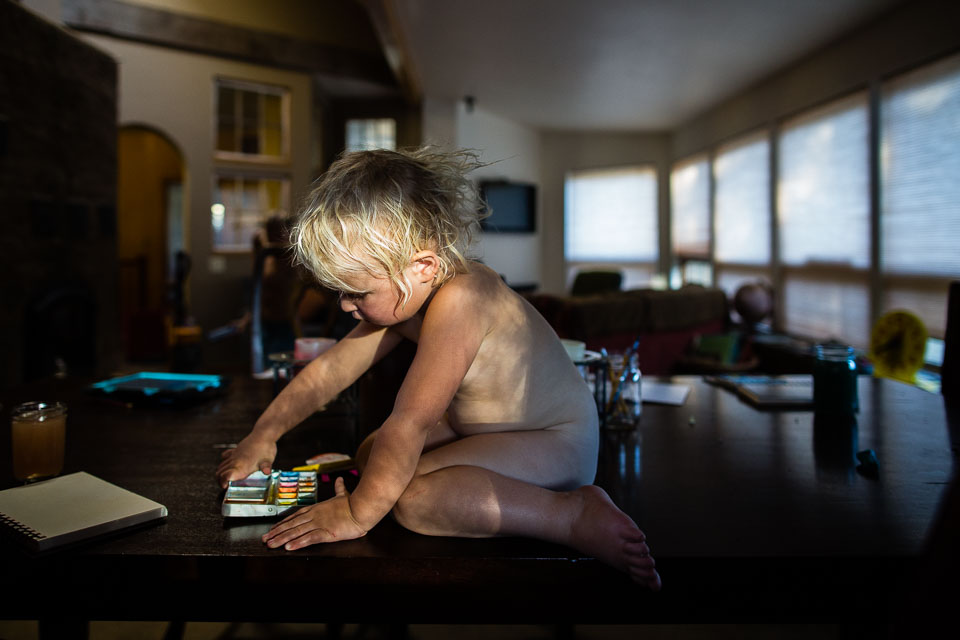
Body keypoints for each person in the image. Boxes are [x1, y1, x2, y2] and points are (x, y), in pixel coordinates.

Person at [217, 147, 661, 589]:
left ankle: (571, 515)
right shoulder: (413, 294)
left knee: (414, 502)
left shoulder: (464, 298)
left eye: (357, 293)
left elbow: (410, 421)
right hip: (488, 430)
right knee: (372, 456)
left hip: (556, 441)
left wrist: (356, 514)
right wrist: (263, 434)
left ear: (422, 266)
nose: (346, 306)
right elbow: (330, 370)